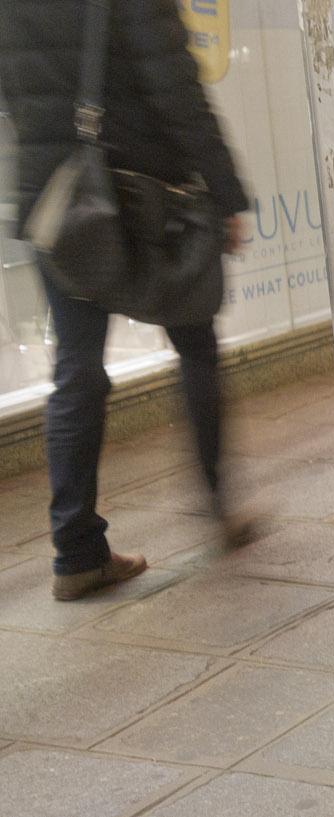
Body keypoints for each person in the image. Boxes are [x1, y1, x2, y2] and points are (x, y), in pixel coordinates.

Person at [3, 0, 253, 600]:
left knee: (77, 369)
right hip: (141, 199)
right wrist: (224, 191)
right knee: (195, 340)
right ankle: (220, 506)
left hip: (56, 204)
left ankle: (76, 553)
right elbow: (175, 88)